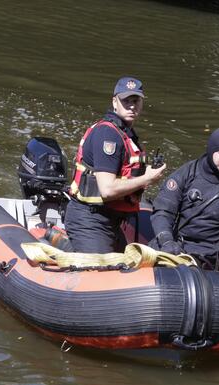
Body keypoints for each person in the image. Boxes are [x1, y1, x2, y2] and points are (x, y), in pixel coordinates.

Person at [64, 76, 166, 253]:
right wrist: (146, 179)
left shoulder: (126, 134)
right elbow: (107, 189)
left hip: (110, 220)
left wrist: (147, 174)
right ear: (114, 102)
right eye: (126, 100)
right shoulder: (108, 135)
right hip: (90, 219)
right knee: (100, 275)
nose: (131, 106)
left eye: (136, 101)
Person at [149, 128, 219, 276]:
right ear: (211, 152)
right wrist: (166, 240)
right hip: (179, 247)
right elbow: (163, 210)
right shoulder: (187, 173)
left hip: (216, 255)